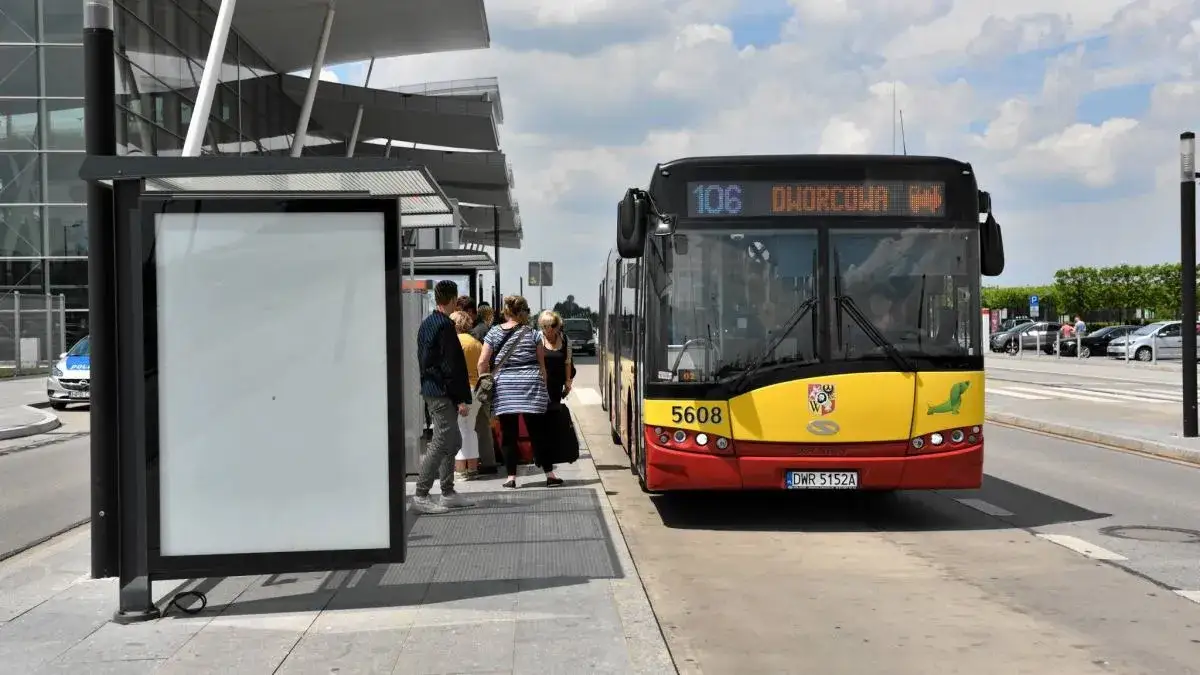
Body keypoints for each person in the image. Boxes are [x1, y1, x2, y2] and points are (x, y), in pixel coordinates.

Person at [477, 295, 562, 489]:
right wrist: (543, 389)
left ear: (506, 312)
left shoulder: (493, 333)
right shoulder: (534, 334)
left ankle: (511, 478)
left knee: (509, 433)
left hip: (505, 387)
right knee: (538, 432)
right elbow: (542, 366)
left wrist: (485, 378)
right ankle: (550, 475)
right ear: (523, 312)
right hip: (531, 385)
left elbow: (482, 362)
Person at [412, 280, 474, 514]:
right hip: (442, 392)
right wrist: (460, 398)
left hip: (431, 389)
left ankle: (447, 491)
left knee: (453, 441)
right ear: (453, 299)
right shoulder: (445, 326)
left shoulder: (427, 324)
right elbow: (451, 365)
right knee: (441, 441)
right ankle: (422, 493)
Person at [451, 310, 483, 481]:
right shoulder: (476, 343)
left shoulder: (454, 342)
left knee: (460, 429)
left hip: (461, 390)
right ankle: (472, 467)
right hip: (476, 389)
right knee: (470, 429)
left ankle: (461, 468)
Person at [537, 310, 575, 407]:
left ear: (558, 325)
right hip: (541, 385)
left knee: (555, 411)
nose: (549, 329)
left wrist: (568, 382)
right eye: (545, 326)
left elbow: (568, 362)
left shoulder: (565, 339)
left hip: (557, 385)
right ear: (542, 326)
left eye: (553, 325)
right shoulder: (537, 339)